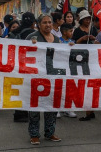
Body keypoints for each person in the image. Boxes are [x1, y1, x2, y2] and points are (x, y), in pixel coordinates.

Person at [26, 14, 61, 145]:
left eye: (50, 22)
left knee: (51, 106)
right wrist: (31, 45)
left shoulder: (57, 40)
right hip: (36, 77)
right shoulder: (32, 37)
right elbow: (24, 53)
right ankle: (34, 134)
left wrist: (70, 47)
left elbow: (63, 55)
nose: (48, 25)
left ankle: (50, 132)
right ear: (38, 25)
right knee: (35, 107)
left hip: (52, 77)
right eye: (45, 22)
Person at [72, 10, 98, 121]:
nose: (88, 21)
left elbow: (98, 42)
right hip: (81, 60)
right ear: (82, 20)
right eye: (86, 19)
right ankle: (88, 111)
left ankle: (90, 111)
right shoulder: (77, 31)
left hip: (92, 59)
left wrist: (93, 39)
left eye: (89, 19)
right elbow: (72, 44)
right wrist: (82, 39)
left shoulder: (93, 29)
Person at [11, 12, 36, 122]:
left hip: (17, 65)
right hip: (31, 65)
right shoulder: (36, 34)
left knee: (19, 89)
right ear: (33, 23)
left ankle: (19, 113)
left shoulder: (14, 33)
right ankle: (26, 112)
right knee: (28, 89)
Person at [56, 23, 77, 118]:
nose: (72, 33)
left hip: (70, 68)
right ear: (64, 32)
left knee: (69, 88)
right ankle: (57, 109)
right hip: (59, 68)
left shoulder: (72, 42)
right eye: (70, 31)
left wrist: (74, 47)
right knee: (59, 88)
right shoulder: (57, 41)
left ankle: (68, 108)